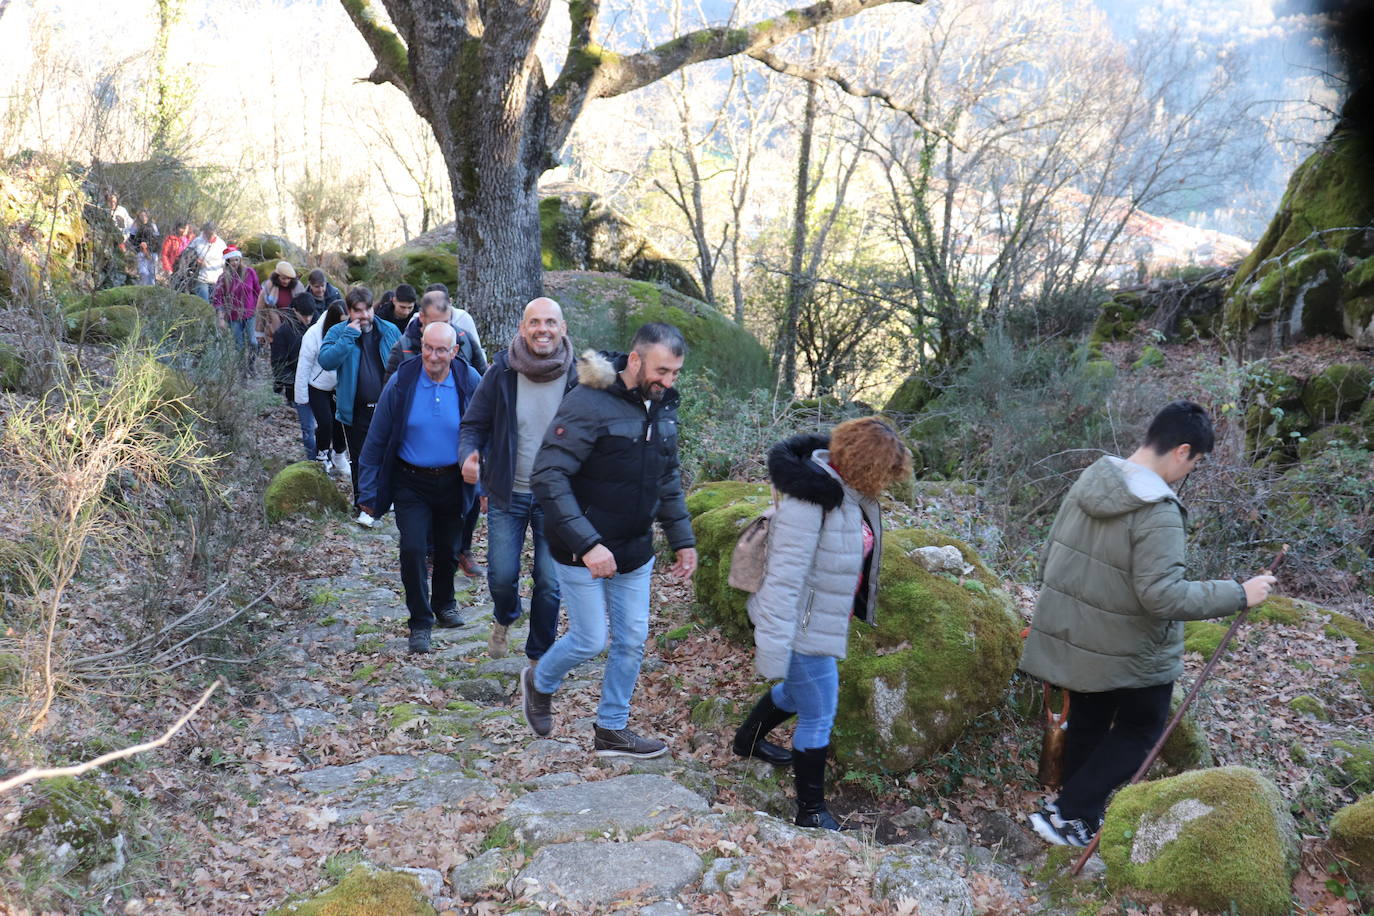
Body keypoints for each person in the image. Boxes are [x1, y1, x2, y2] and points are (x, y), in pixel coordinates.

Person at [1020, 401, 1277, 847]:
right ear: (1181, 451)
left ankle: (1076, 819)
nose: (1190, 471)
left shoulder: (1094, 478)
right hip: (1131, 647)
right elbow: (1163, 595)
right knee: (1142, 730)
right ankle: (1068, 812)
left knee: (1090, 723)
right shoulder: (1156, 508)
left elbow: (1052, 554)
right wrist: (1239, 592)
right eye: (1195, 462)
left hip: (1076, 634)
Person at [522, 322, 697, 759]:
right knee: (589, 639)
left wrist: (682, 538)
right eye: (662, 371)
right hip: (579, 546)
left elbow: (668, 479)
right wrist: (587, 543)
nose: (668, 381)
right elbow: (548, 476)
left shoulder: (662, 405)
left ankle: (611, 729)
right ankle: (539, 681)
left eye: (675, 372)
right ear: (635, 360)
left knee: (633, 638)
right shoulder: (587, 402)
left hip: (635, 548)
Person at [738, 419, 911, 829]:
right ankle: (811, 812)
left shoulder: (845, 492)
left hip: (819, 617)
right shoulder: (811, 500)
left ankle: (747, 741)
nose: (887, 483)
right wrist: (774, 649)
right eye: (885, 473)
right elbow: (783, 580)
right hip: (801, 626)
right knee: (819, 711)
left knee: (799, 695)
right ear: (866, 466)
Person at [459, 297, 577, 661]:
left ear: (562, 329)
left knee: (549, 582)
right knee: (501, 577)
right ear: (522, 328)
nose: (543, 329)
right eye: (535, 323)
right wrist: (468, 455)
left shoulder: (580, 377)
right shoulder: (503, 372)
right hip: (507, 493)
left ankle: (538, 656)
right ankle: (505, 615)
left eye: (550, 323)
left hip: (557, 497)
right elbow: (473, 424)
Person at [357, 322, 481, 654]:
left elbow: (488, 431)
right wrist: (366, 493)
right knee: (413, 549)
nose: (434, 356)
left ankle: (444, 603)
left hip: (454, 481)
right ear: (420, 346)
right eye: (428, 347)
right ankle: (420, 622)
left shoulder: (469, 381)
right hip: (411, 481)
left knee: (447, 548)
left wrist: (484, 478)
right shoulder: (403, 381)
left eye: (442, 350)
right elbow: (376, 439)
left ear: (454, 351)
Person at [317, 286, 402, 517]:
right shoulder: (339, 332)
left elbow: (405, 362)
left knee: (387, 454)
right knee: (361, 458)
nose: (364, 316)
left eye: (368, 310)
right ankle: (363, 504)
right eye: (358, 311)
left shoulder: (389, 330)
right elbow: (326, 360)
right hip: (355, 408)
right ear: (349, 310)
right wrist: (349, 337)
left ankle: (385, 498)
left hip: (387, 406)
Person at [295, 302, 350, 476]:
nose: (345, 325)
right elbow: (303, 366)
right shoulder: (314, 334)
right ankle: (322, 457)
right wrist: (301, 397)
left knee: (341, 423)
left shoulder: (351, 333)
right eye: (341, 322)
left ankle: (339, 455)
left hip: (340, 387)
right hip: (317, 386)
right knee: (325, 423)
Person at [273, 297, 317, 458]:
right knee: (308, 428)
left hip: (319, 383)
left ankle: (323, 456)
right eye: (304, 315)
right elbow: (278, 363)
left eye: (310, 315)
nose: (307, 319)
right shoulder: (283, 333)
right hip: (297, 386)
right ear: (294, 311)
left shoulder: (318, 327)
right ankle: (313, 460)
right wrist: (285, 384)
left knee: (323, 425)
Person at [210, 248, 261, 373]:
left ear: (240, 260)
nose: (234, 263)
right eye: (231, 261)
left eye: (236, 260)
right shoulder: (223, 278)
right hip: (233, 316)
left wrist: (256, 308)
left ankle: (251, 364)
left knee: (253, 342)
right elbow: (218, 299)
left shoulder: (250, 272)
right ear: (227, 262)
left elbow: (257, 291)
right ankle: (241, 370)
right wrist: (221, 318)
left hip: (250, 314)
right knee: (239, 346)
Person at [422, 283, 488, 374]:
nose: (440, 327)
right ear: (422, 317)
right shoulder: (406, 344)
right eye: (434, 322)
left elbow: (481, 371)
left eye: (445, 322)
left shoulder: (464, 328)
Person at [256, 261, 305, 348]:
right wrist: (260, 333)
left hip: (293, 326)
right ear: (277, 277)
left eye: (288, 278)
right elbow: (261, 311)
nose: (286, 281)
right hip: (274, 328)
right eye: (283, 278)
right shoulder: (268, 288)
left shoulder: (298, 287)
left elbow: (304, 308)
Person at [186, 221, 227, 303]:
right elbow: (187, 254)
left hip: (216, 279)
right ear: (204, 231)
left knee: (214, 303)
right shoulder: (197, 241)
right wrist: (195, 260)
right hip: (201, 278)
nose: (208, 235)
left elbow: (225, 262)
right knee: (204, 303)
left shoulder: (221, 244)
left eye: (211, 233)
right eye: (207, 233)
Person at [129, 209, 160, 286]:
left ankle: (151, 291)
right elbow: (132, 240)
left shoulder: (153, 226)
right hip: (141, 253)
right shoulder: (135, 226)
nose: (143, 217)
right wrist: (140, 246)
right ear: (139, 216)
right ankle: (142, 290)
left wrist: (149, 247)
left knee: (152, 274)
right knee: (144, 274)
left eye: (145, 215)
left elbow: (156, 239)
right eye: (141, 216)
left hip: (152, 252)